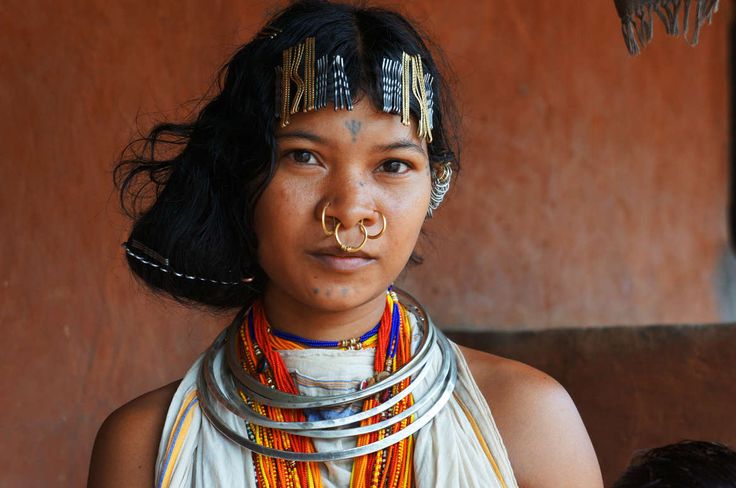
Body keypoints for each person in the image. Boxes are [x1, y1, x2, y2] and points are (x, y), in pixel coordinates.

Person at [88, 1, 603, 487]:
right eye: (303, 157)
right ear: (241, 176)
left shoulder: (529, 424)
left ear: (435, 186)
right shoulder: (144, 449)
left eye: (393, 165)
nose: (350, 209)